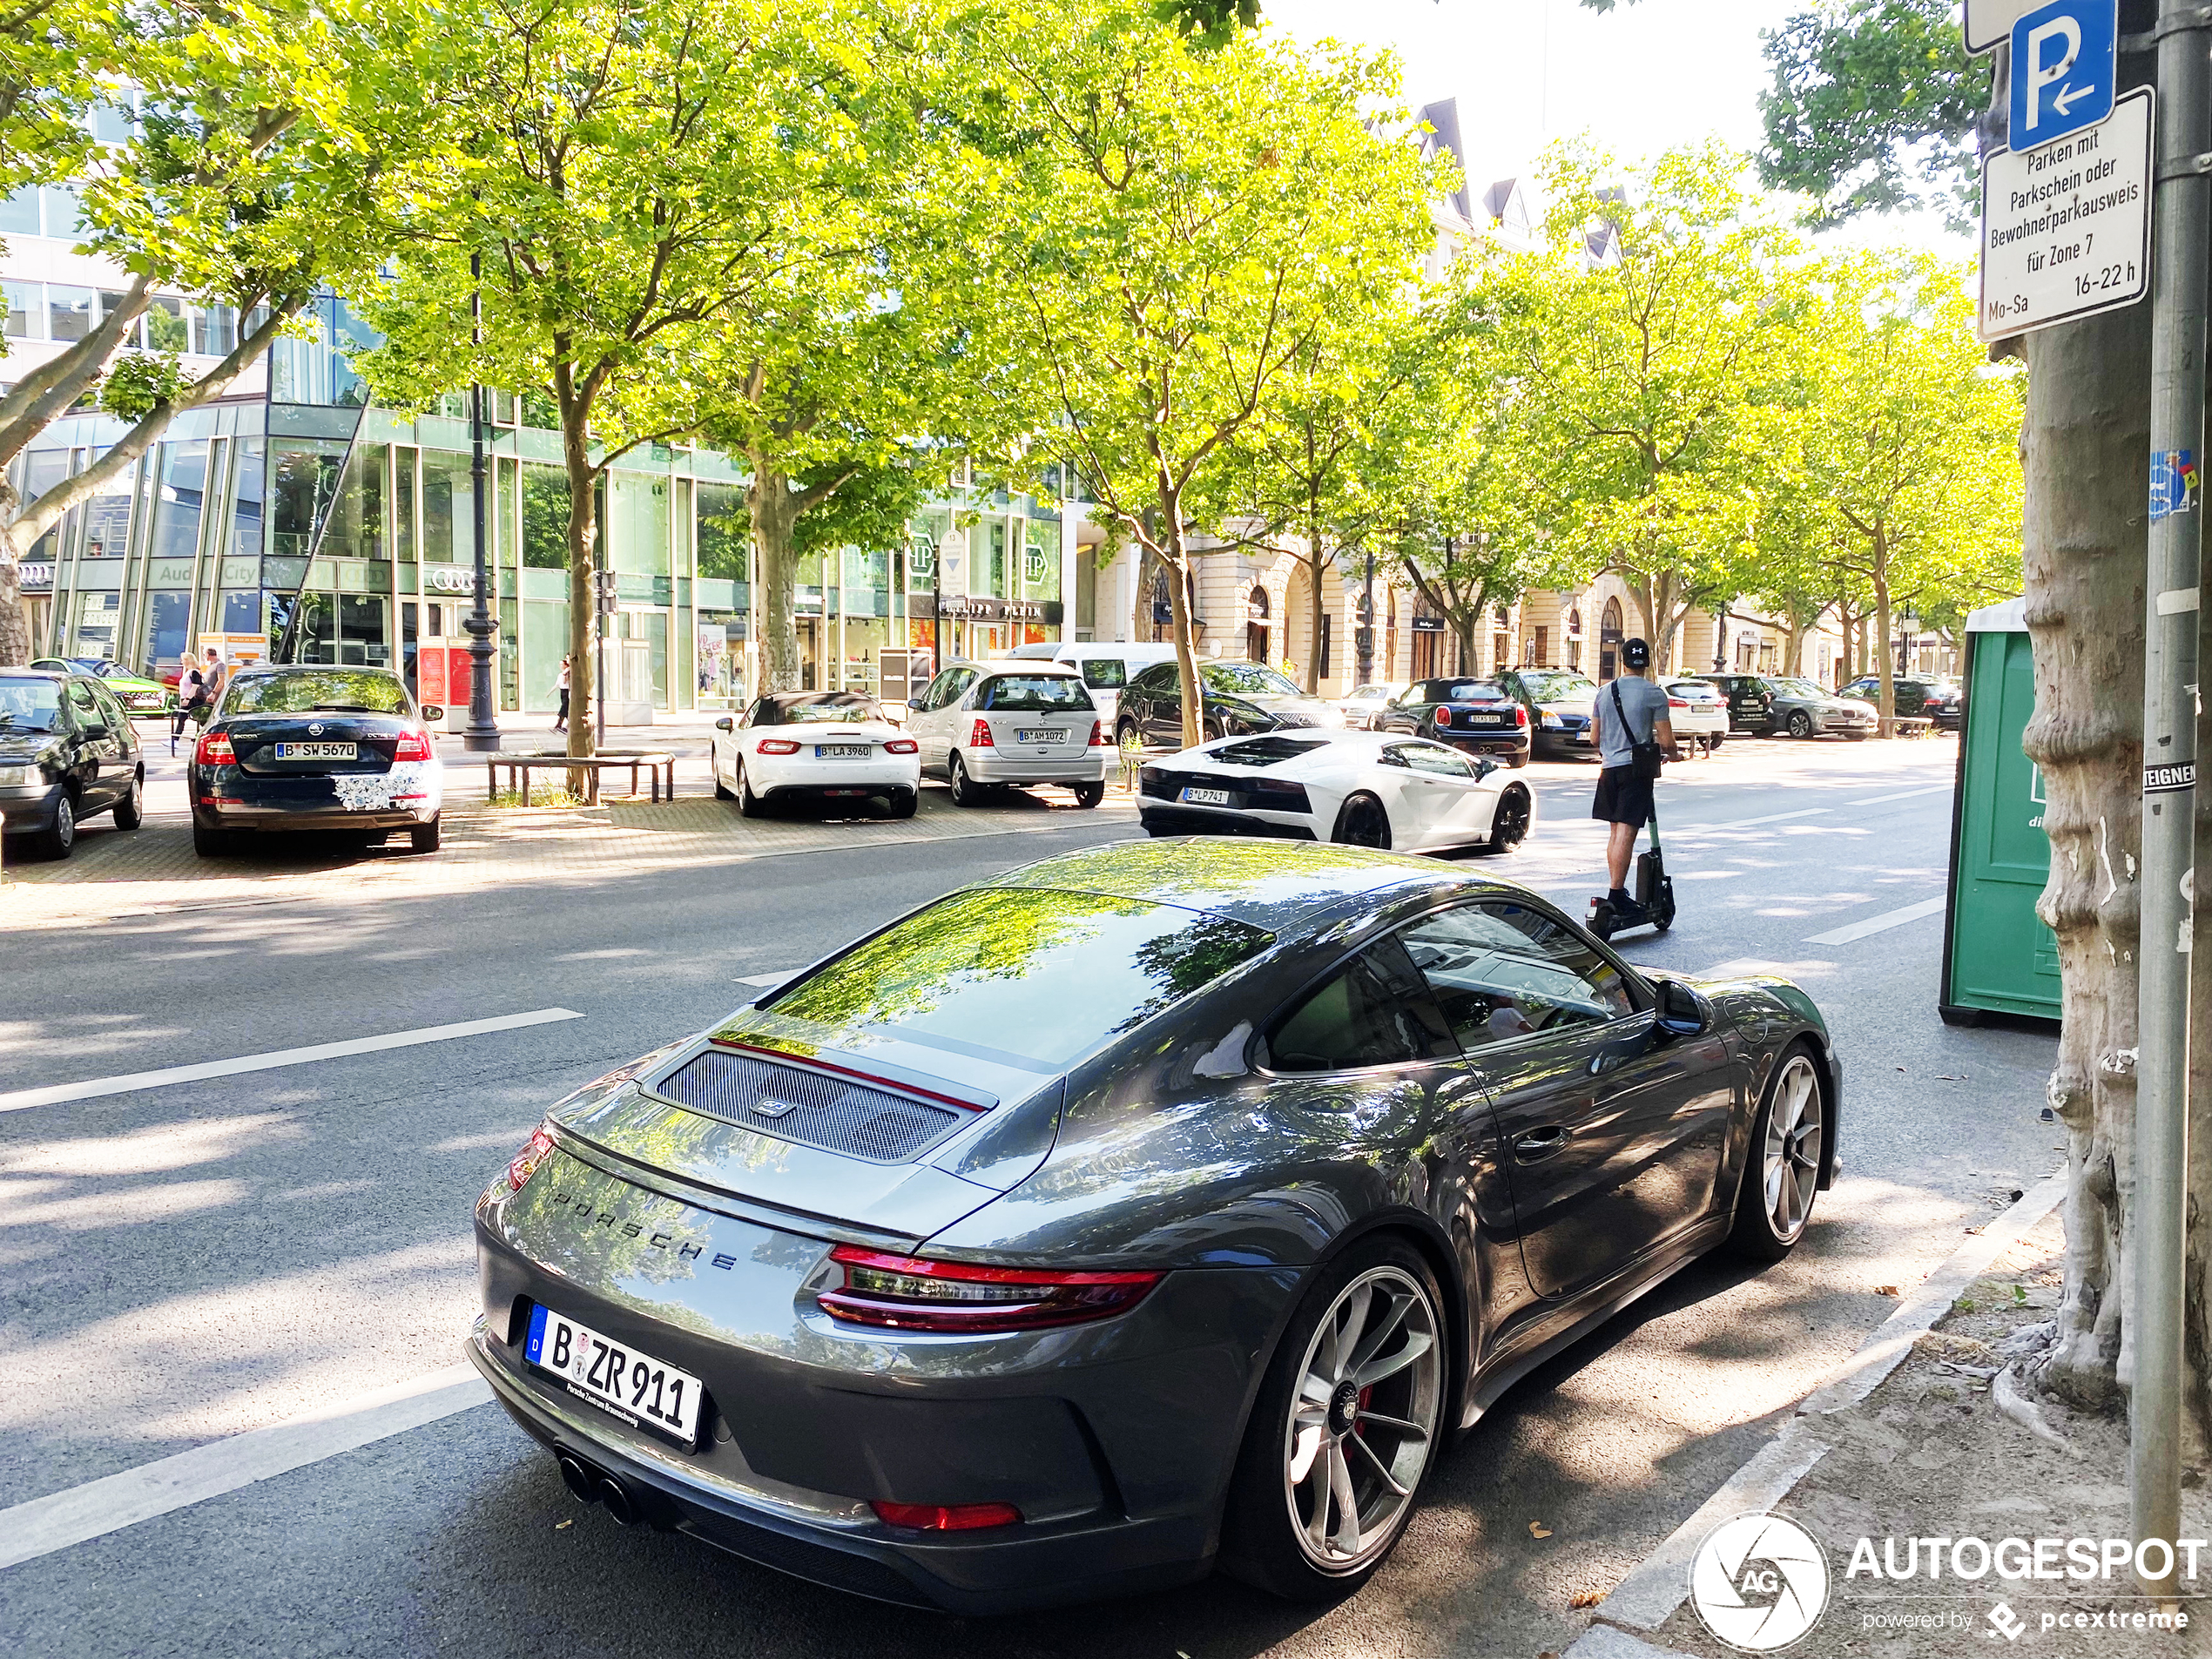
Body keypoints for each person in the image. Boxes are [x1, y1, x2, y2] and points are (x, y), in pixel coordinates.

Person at [1590, 637, 1676, 924]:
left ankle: (1617, 889)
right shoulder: (1655, 694)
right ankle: (1616, 894)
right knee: (1627, 834)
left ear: (1622, 661)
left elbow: (1594, 738)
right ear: (1646, 663)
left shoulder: (1604, 692)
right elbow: (1666, 740)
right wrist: (1673, 755)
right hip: (1636, 772)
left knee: (1615, 834)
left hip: (1609, 770)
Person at [172, 656, 206, 754]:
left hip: (192, 700)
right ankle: (175, 740)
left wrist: (187, 698)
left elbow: (195, 686)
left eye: (183, 660)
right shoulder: (188, 672)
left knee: (196, 719)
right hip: (188, 699)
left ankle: (176, 740)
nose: (182, 662)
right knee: (181, 718)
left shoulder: (194, 672)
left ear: (188, 661)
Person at [554, 657, 570, 732]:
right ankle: (567, 724)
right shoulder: (561, 674)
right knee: (566, 709)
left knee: (564, 707)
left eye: (562, 664)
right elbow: (557, 684)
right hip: (562, 691)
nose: (560, 666)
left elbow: (564, 681)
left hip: (567, 691)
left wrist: (565, 673)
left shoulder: (567, 672)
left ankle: (559, 724)